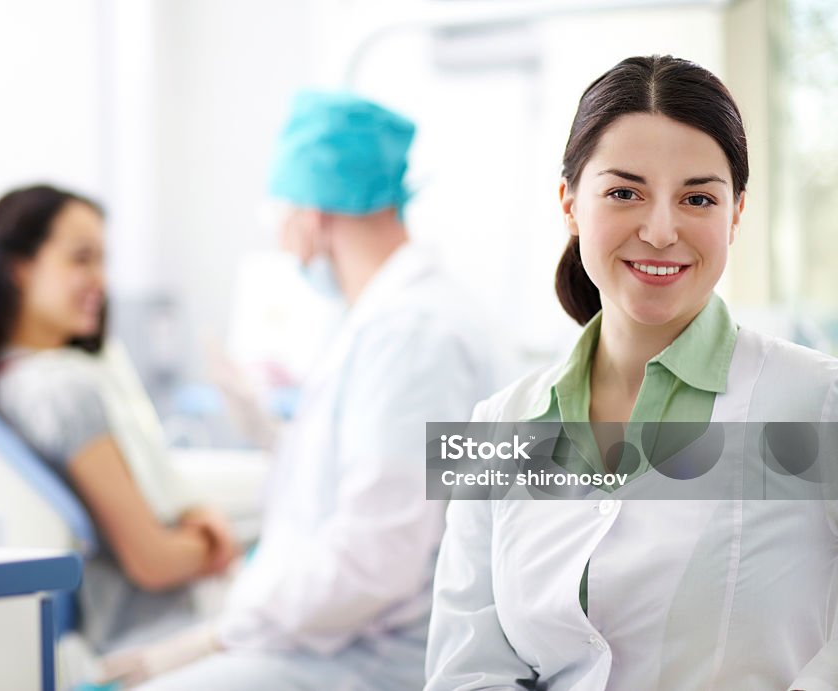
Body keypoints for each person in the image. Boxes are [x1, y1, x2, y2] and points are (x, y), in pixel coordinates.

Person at [425, 55, 838, 690]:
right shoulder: (492, 426)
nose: (662, 229)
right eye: (624, 192)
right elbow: (464, 668)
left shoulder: (817, 400)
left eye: (697, 197)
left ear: (736, 213)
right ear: (568, 202)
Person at [108, 91, 497, 690]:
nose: (283, 243)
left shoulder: (412, 336)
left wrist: (221, 633)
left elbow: (377, 556)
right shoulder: (388, 320)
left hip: (374, 659)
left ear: (313, 216)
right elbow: (377, 477)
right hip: (342, 639)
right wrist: (273, 434)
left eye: (279, 219)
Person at [0, 184, 238, 654]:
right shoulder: (63, 392)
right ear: (16, 267)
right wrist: (216, 542)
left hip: (158, 624)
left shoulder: (11, 378)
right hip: (154, 635)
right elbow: (154, 561)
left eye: (102, 261)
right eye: (81, 259)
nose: (100, 282)